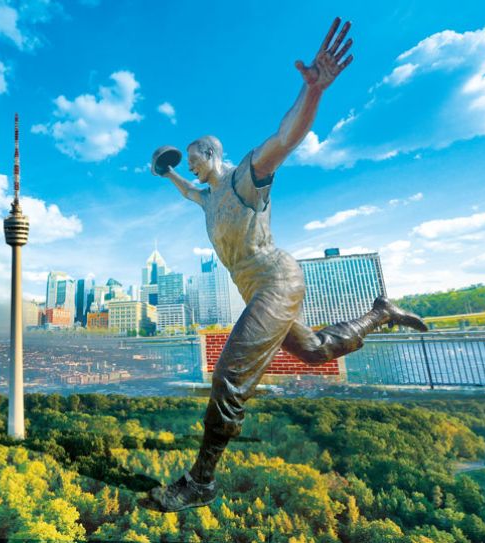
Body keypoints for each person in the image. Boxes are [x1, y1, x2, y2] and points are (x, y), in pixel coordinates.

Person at [148, 17, 427, 512]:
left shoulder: (244, 178)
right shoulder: (210, 200)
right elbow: (189, 191)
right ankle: (380, 312)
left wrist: (313, 91)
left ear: (213, 153)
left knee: (228, 377)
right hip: (261, 293)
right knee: (318, 350)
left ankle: (200, 482)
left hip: (277, 280)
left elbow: (285, 136)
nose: (192, 167)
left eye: (195, 158)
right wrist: (169, 172)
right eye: (187, 164)